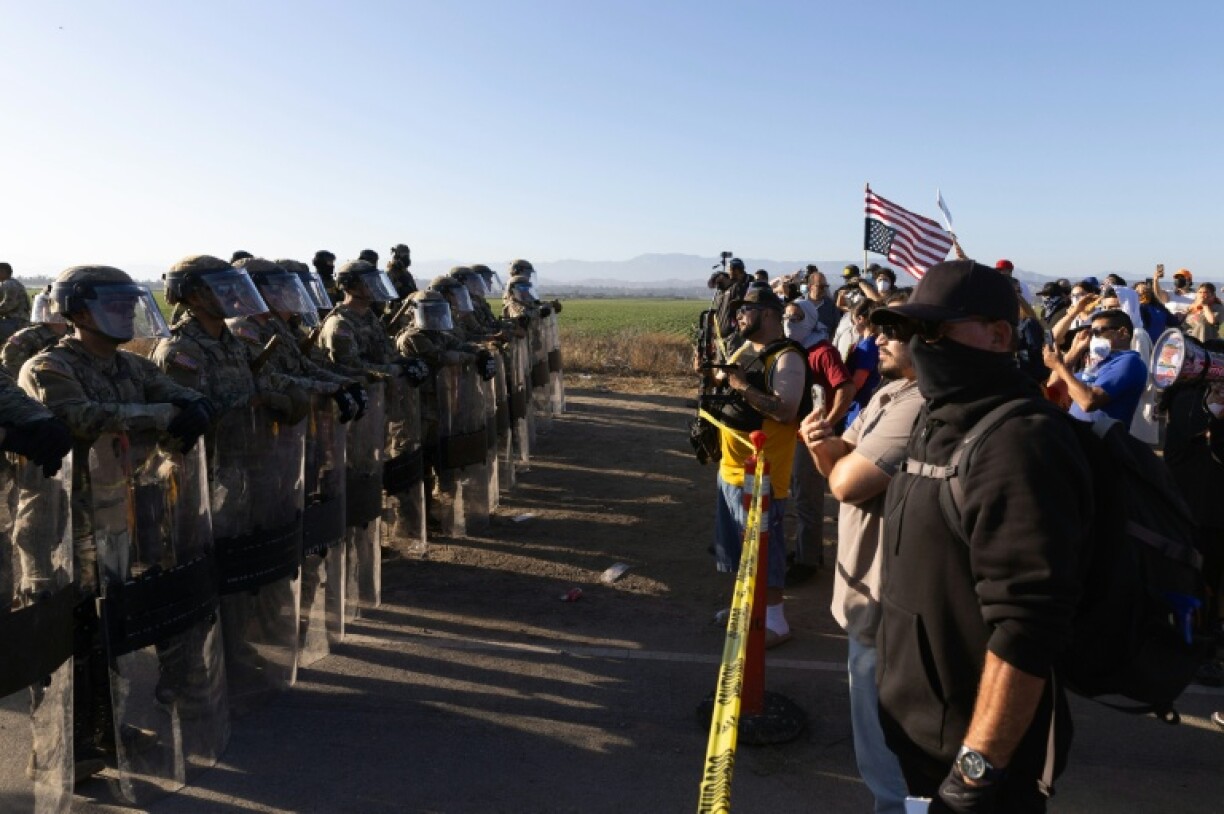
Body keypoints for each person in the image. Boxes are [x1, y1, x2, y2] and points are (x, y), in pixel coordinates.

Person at [871, 259, 1092, 811]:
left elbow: (1027, 628)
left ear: (999, 335)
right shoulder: (938, 419)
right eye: (911, 330)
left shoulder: (1020, 442)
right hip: (917, 737)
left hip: (982, 766)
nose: (921, 345)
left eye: (935, 329)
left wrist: (973, 776)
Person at [21, 265, 217, 779]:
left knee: (104, 634)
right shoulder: (51, 366)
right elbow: (79, 418)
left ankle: (102, 730)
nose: (127, 313)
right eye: (114, 305)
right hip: (56, 527)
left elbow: (176, 391)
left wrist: (192, 404)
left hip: (110, 517)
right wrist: (161, 416)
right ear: (79, 312)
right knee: (61, 643)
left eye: (129, 304)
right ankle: (58, 754)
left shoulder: (127, 367)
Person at [798, 301, 922, 814]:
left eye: (895, 330)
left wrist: (835, 460)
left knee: (894, 766)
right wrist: (817, 441)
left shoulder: (921, 404)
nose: (879, 337)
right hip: (866, 596)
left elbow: (848, 485)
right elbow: (838, 465)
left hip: (889, 601)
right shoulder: (887, 395)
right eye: (879, 327)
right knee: (879, 754)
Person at [706, 286, 804, 647]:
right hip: (732, 470)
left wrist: (740, 385)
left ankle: (775, 621)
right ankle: (744, 607)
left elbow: (786, 409)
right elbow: (732, 383)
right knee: (735, 546)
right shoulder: (747, 349)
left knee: (766, 549)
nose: (738, 318)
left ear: (767, 313)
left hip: (763, 474)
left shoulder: (788, 358)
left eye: (745, 311)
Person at [782, 300, 853, 584]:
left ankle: (806, 562)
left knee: (807, 499)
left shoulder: (823, 352)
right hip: (795, 434)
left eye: (797, 317)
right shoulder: (794, 351)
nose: (790, 322)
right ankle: (808, 550)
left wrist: (828, 423)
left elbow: (845, 388)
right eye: (787, 316)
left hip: (810, 438)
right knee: (800, 495)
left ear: (811, 319)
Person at [1043, 309, 1147, 426]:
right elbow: (1055, 387)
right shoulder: (1098, 363)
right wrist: (1074, 351)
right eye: (1090, 334)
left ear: (1122, 333)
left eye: (1097, 332)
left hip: (1098, 441)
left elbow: (1088, 402)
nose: (1092, 338)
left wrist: (1058, 365)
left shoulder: (1130, 362)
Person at [2, 287, 69, 375]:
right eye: (43, 305)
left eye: (51, 306)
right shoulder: (26, 337)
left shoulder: (78, 334)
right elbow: (10, 372)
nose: (45, 310)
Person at [842, 300, 882, 429]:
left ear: (860, 319)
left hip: (860, 405)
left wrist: (841, 402)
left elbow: (858, 381)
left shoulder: (868, 346)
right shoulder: (868, 342)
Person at [798, 267, 841, 339]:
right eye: (821, 287)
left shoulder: (831, 306)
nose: (824, 289)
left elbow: (837, 328)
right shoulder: (799, 305)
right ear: (810, 287)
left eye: (826, 286)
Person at [0, 262, 31, 346]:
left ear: (2, 272)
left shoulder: (9, 284)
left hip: (16, 321)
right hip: (18, 320)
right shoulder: (12, 283)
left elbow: (8, 304)